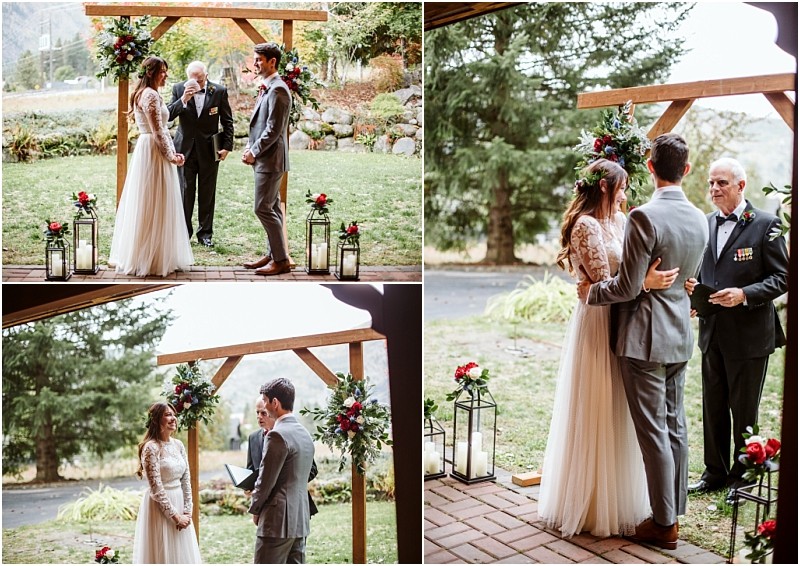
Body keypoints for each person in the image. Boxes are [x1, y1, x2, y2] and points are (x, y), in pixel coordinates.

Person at [578, 133, 708, 550]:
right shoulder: (701, 219)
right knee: (675, 425)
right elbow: (688, 280)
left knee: (654, 431)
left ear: (650, 168)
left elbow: (628, 287)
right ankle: (674, 512)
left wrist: (590, 293)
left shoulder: (643, 216)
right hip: (679, 338)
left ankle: (664, 524)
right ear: (685, 170)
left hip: (642, 339)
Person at [539, 158, 679, 538]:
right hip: (599, 321)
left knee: (620, 407)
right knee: (598, 403)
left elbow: (629, 272)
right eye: (621, 187)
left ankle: (619, 498)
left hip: (625, 319)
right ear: (604, 187)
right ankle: (591, 503)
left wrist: (642, 277)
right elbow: (604, 282)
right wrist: (645, 282)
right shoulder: (585, 226)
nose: (625, 194)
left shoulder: (621, 221)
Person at [685, 157, 788, 505]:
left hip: (749, 337)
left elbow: (783, 277)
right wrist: (695, 293)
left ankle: (741, 481)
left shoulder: (767, 224)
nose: (714, 189)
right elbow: (707, 271)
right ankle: (713, 473)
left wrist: (744, 294)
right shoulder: (707, 223)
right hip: (712, 332)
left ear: (740, 186)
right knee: (712, 407)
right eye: (711, 183)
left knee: (744, 413)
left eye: (722, 183)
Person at [108, 56, 194, 277]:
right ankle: (150, 258)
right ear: (150, 73)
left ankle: (156, 254)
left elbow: (161, 129)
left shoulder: (147, 93)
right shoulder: (150, 95)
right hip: (154, 151)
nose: (165, 74)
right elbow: (157, 131)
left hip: (150, 148)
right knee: (154, 201)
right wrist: (171, 155)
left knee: (155, 201)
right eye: (161, 71)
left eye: (166, 70)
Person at [167, 61, 234, 248]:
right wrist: (184, 100)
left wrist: (227, 146)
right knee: (185, 192)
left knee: (207, 193)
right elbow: (168, 115)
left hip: (209, 149)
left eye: (200, 78)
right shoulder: (179, 88)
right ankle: (184, 233)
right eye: (193, 78)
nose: (197, 82)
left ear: (206, 75)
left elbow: (227, 121)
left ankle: (205, 234)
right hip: (184, 150)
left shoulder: (218, 91)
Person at [249, 379, 315, 563]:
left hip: (276, 522)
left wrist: (256, 510)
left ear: (275, 403)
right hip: (300, 519)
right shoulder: (305, 433)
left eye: (265, 400)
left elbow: (265, 481)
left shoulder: (276, 435)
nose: (264, 404)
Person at [241, 42, 292, 276]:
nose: (254, 63)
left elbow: (273, 129)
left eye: (259, 59)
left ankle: (281, 260)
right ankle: (273, 254)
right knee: (272, 207)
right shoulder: (268, 87)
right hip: (265, 158)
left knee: (262, 208)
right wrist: (249, 147)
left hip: (270, 160)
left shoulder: (278, 89)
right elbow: (260, 124)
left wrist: (254, 151)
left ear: (272, 62)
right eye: (255, 59)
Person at [132, 402, 201, 564]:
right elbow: (156, 488)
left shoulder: (178, 445)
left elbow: (186, 479)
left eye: (173, 414)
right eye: (167, 415)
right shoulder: (151, 448)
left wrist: (187, 511)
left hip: (180, 503)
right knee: (163, 552)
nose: (173, 418)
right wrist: (175, 516)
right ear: (156, 420)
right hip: (160, 506)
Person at [246, 396, 318, 516]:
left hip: (292, 504)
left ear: (272, 412)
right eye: (257, 412)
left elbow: (312, 470)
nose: (259, 416)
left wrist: (282, 485)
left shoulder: (290, 434)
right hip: (262, 505)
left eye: (263, 413)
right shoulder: (253, 438)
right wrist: (248, 486)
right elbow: (251, 469)